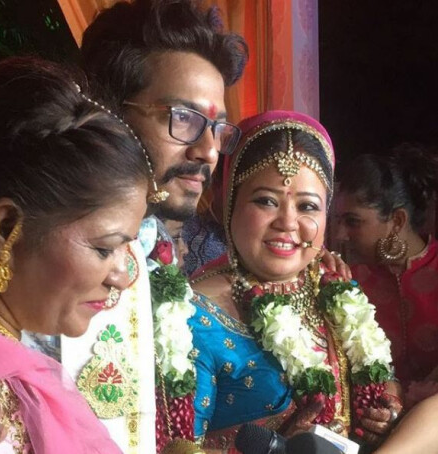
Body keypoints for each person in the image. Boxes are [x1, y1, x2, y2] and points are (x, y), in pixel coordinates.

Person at [53, 1, 248, 452]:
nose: (209, 151)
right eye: (184, 118)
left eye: (218, 129)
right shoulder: (37, 241)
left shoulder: (155, 248)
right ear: (108, 110)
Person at [188, 111, 402, 452]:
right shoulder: (192, 314)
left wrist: (385, 412)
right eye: (266, 201)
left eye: (308, 206)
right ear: (230, 203)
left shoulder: (336, 288)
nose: (288, 222)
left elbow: (384, 379)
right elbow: (173, 445)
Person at [0, 56, 150, 452]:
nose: (122, 277)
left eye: (125, 249)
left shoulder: (24, 381)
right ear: (5, 230)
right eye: (104, 248)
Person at [335, 146, 438, 389]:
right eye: (339, 222)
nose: (340, 235)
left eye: (353, 221)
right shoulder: (349, 281)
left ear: (397, 221)